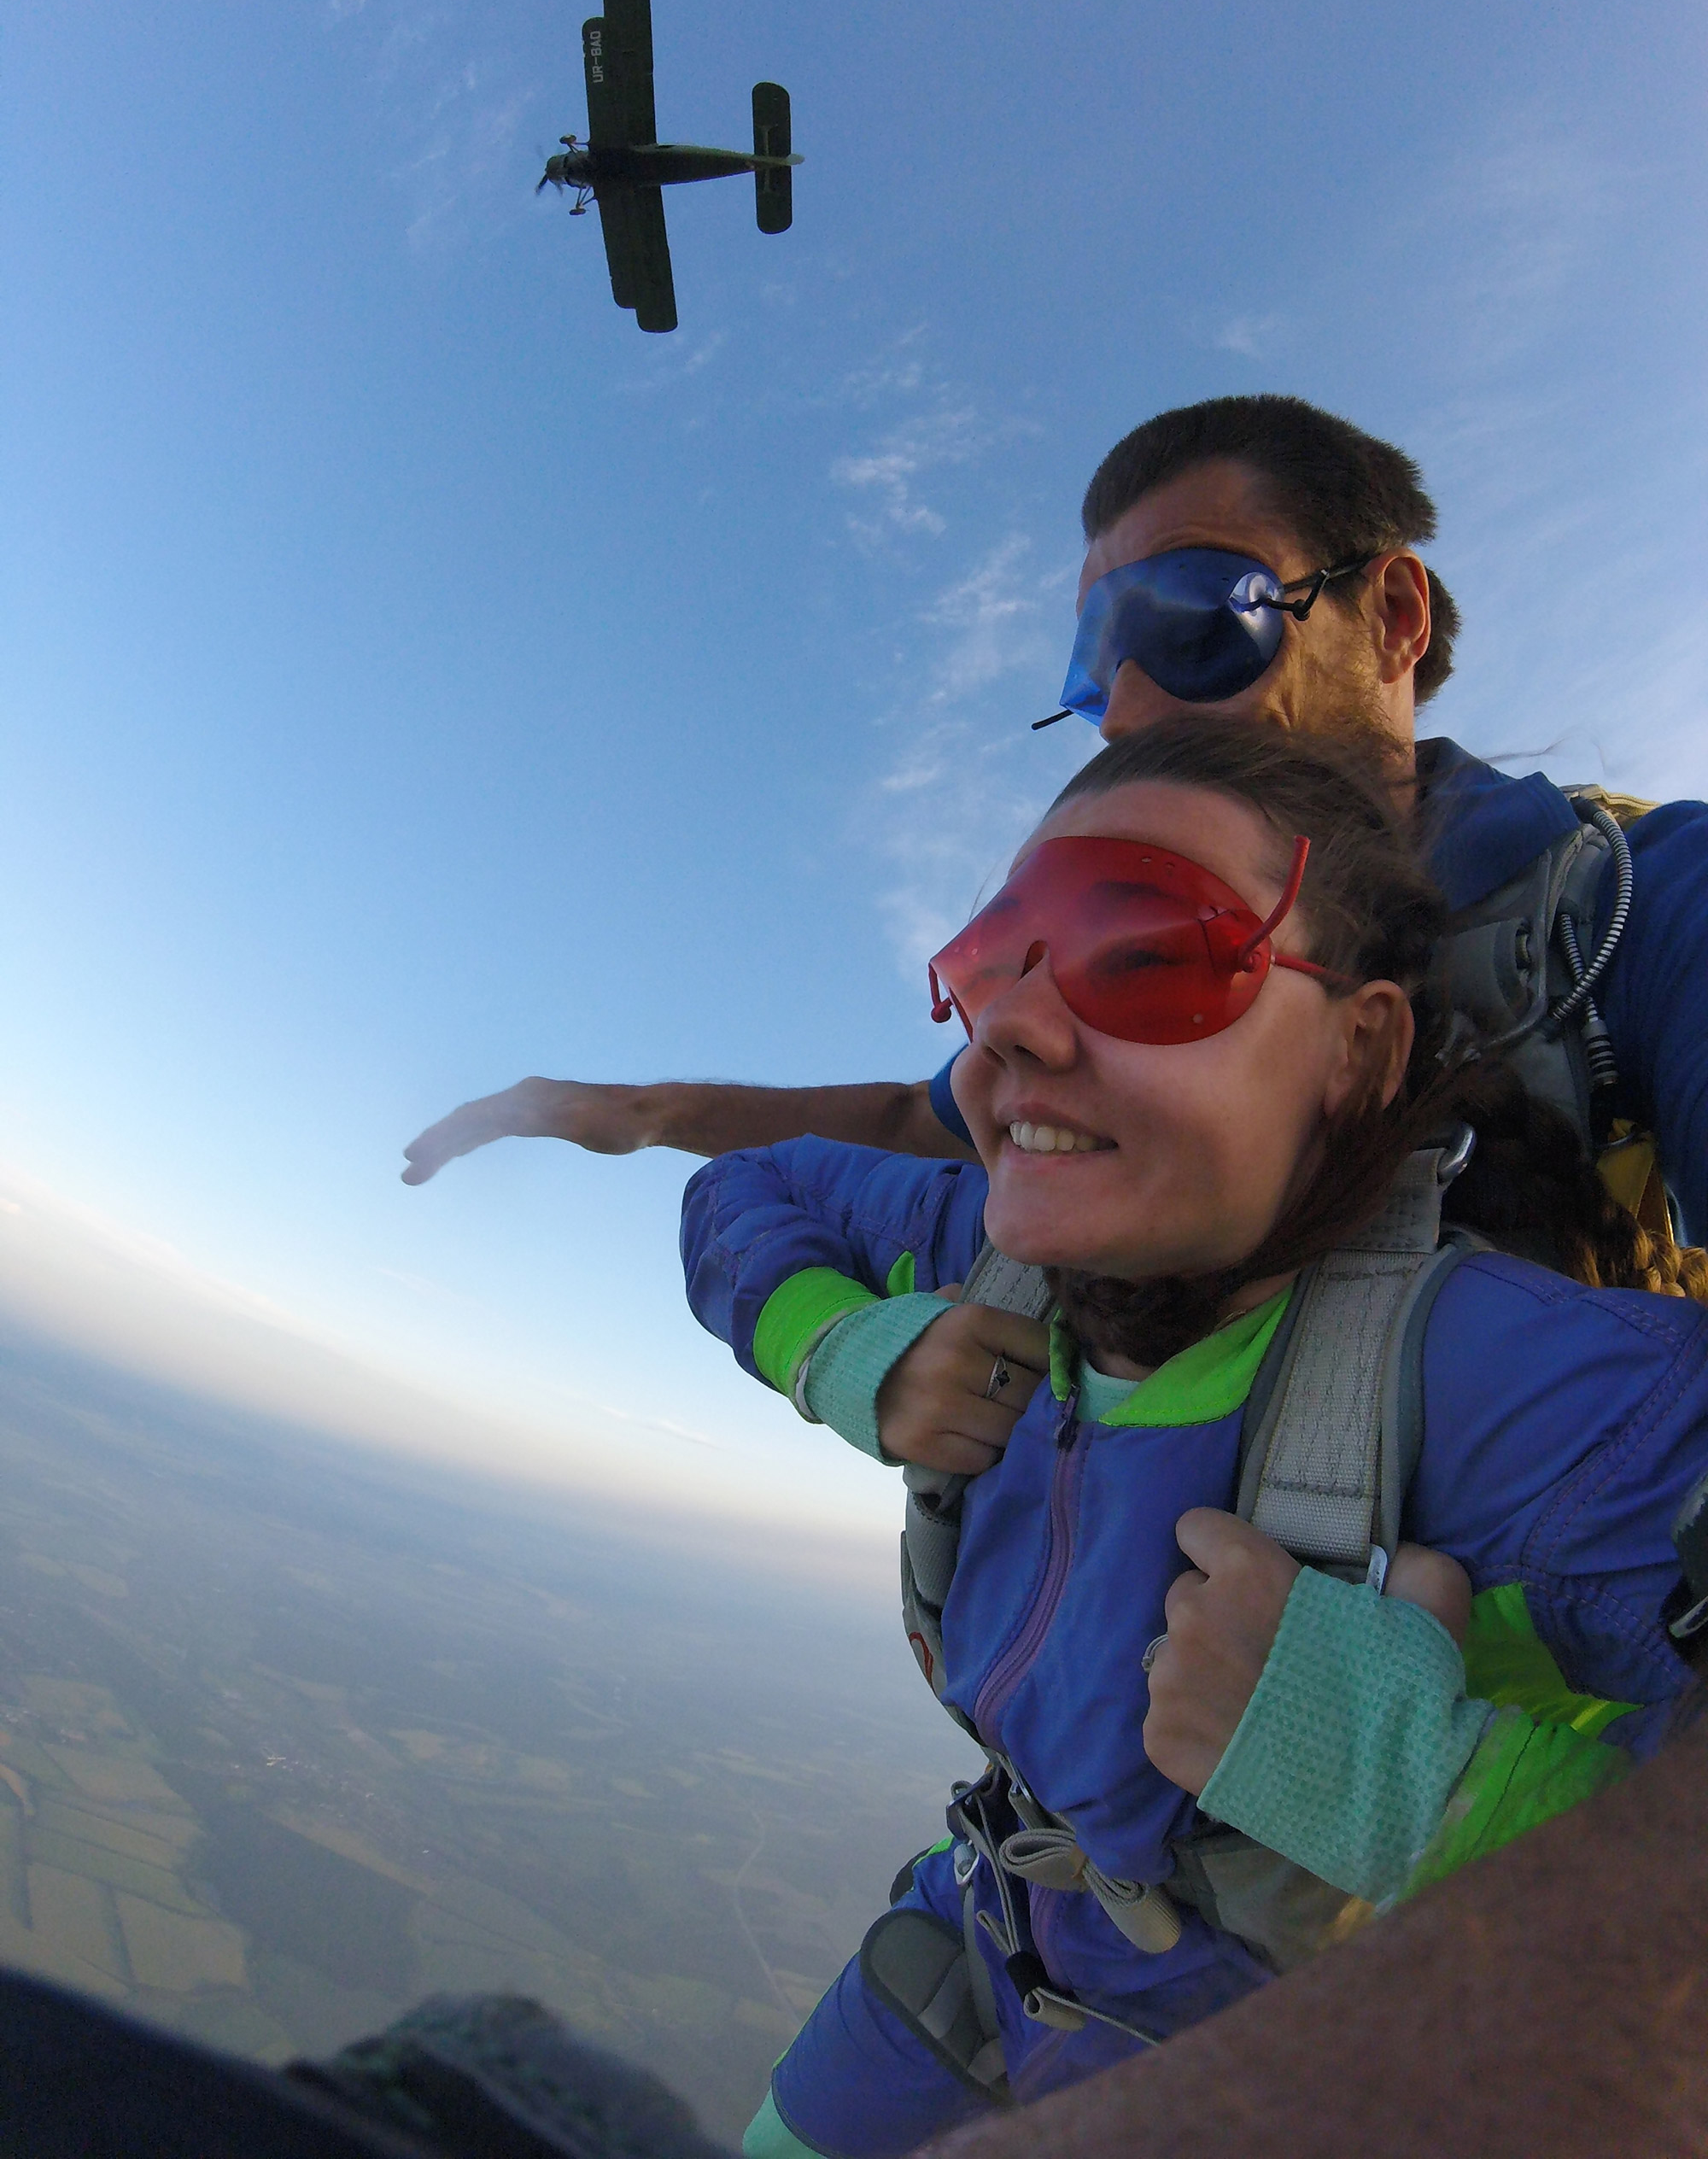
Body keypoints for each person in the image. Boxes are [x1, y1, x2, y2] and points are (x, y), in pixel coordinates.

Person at [680, 719, 1708, 2156]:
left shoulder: (1516, 1391)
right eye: (995, 964)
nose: (1013, 1031)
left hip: (1267, 2067)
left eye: (1149, 953)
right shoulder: (990, 1257)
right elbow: (747, 1187)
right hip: (984, 1932)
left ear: (1359, 1047)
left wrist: (1430, 1790)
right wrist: (841, 1349)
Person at [401, 395, 1708, 1265]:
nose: (1125, 711)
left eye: (1197, 623)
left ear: (1396, 619)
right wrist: (633, 1113)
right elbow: (919, 1123)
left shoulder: (1631, 918)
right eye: (1093, 669)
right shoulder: (1127, 947)